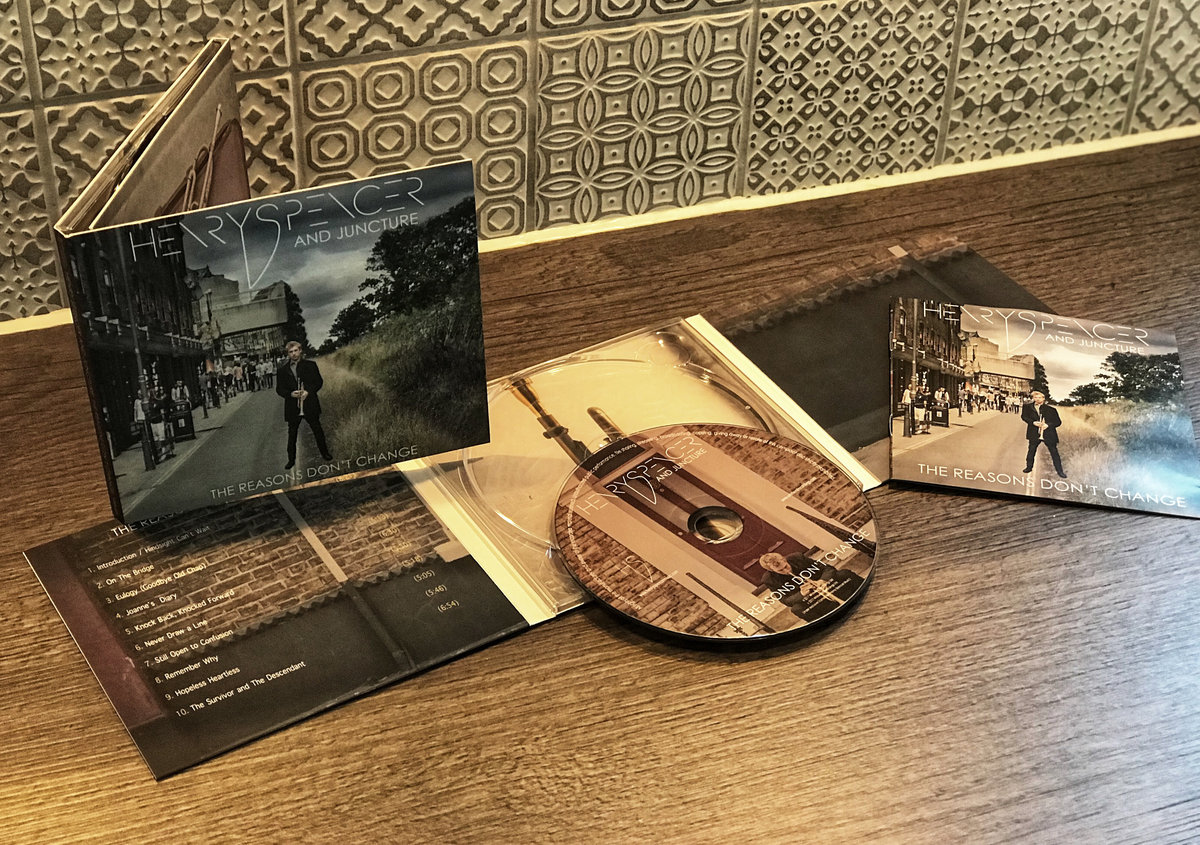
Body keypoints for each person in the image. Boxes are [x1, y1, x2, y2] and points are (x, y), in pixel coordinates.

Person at [757, 551, 865, 623]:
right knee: (797, 609)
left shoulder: (797, 558)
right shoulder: (769, 579)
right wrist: (801, 594)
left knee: (844, 573)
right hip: (812, 599)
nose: (786, 570)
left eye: (786, 566)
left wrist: (822, 580)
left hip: (827, 586)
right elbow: (785, 601)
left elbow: (828, 568)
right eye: (780, 570)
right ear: (771, 570)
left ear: (785, 560)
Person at [276, 340, 332, 469]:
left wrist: (308, 391)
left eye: (296, 350)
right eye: (291, 352)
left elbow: (318, 382)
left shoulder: (311, 365)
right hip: (292, 407)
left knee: (317, 430)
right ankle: (291, 460)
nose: (294, 354)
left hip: (310, 403)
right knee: (292, 435)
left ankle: (325, 453)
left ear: (300, 350)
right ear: (288, 354)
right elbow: (279, 389)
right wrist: (290, 394)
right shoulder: (282, 371)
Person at [1021, 390, 1066, 478]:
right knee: (1031, 451)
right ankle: (1029, 467)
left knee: (1054, 453)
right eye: (1035, 397)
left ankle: (1060, 471)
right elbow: (1024, 417)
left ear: (1043, 398)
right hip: (1034, 433)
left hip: (1048, 434)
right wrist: (1033, 422)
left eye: (1039, 397)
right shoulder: (1027, 407)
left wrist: (1048, 425)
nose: (1037, 399)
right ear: (1033, 398)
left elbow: (1058, 422)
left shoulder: (1051, 409)